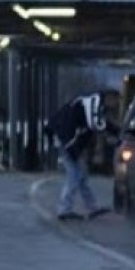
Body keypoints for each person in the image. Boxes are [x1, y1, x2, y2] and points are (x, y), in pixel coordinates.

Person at [44, 91, 119, 221]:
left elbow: (101, 125)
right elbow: (92, 126)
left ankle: (92, 208)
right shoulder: (92, 105)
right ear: (108, 98)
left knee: (81, 175)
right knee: (74, 175)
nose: (116, 104)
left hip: (66, 140)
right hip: (66, 140)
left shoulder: (93, 107)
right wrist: (73, 149)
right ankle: (64, 209)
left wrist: (118, 132)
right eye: (115, 100)